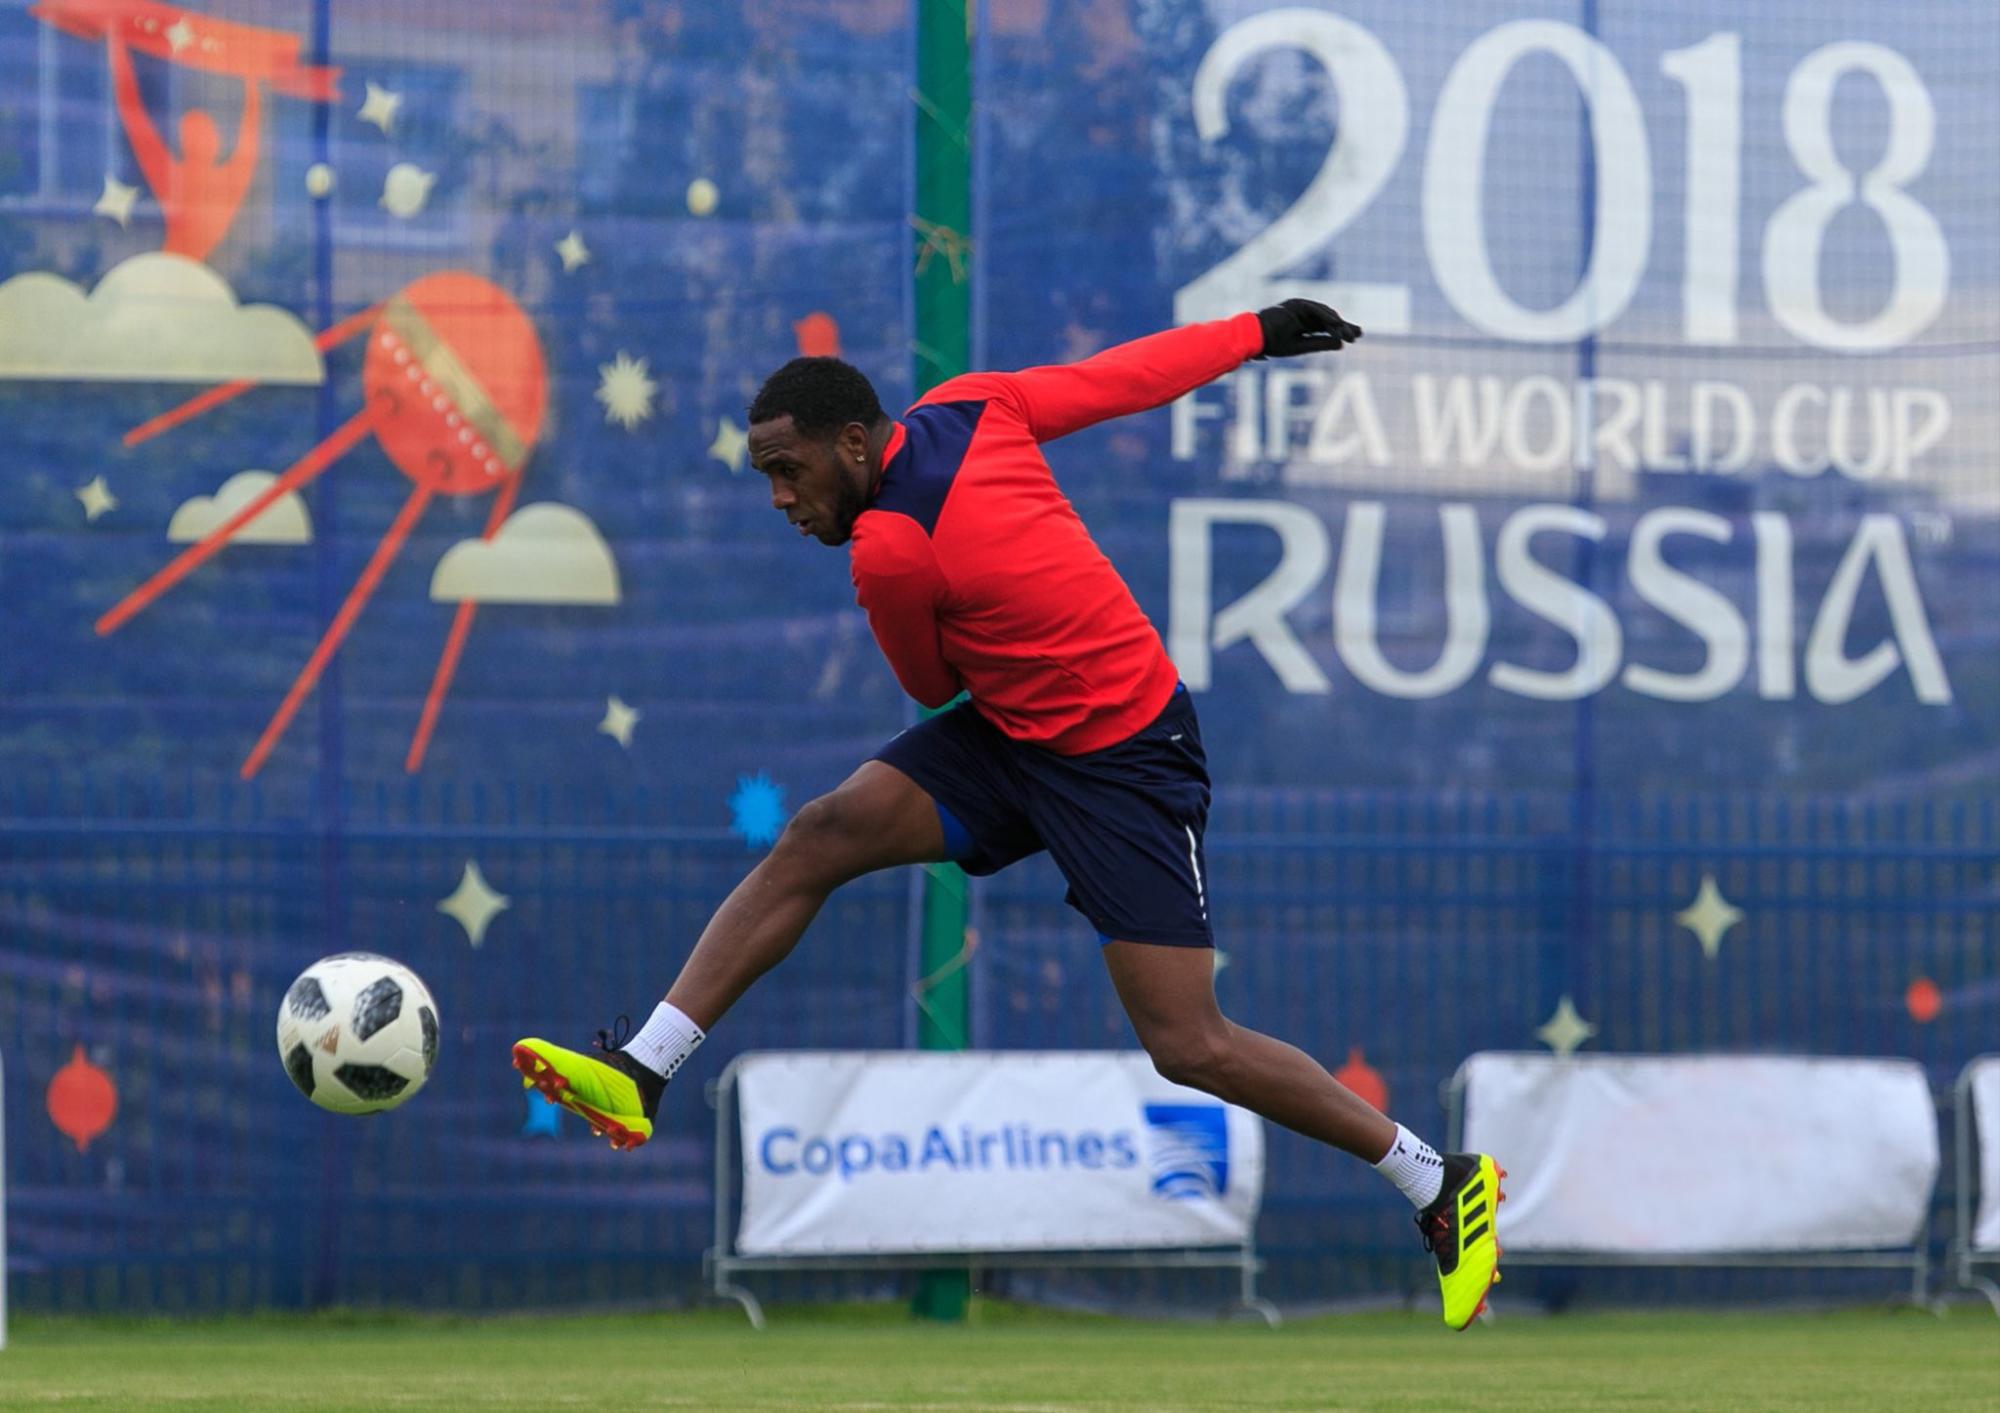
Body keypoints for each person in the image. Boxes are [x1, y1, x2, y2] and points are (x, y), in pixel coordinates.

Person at [514, 300, 1504, 1329]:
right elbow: (1125, 378)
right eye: (766, 475)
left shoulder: (890, 547)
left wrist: (1250, 335)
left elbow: (928, 680)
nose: (779, 498)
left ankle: (1435, 1179)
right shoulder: (970, 406)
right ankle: (641, 1067)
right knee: (820, 833)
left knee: (1189, 1044)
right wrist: (1254, 330)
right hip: (1014, 734)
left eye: (789, 471)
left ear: (852, 443)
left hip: (1124, 759)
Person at [108, 29, 263, 263]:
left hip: (195, 270)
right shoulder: (172, 176)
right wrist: (118, 50)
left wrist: (251, 82)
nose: (201, 141)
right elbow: (134, 116)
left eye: (204, 135)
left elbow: (249, 136)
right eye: (193, 135)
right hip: (175, 268)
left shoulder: (220, 178)